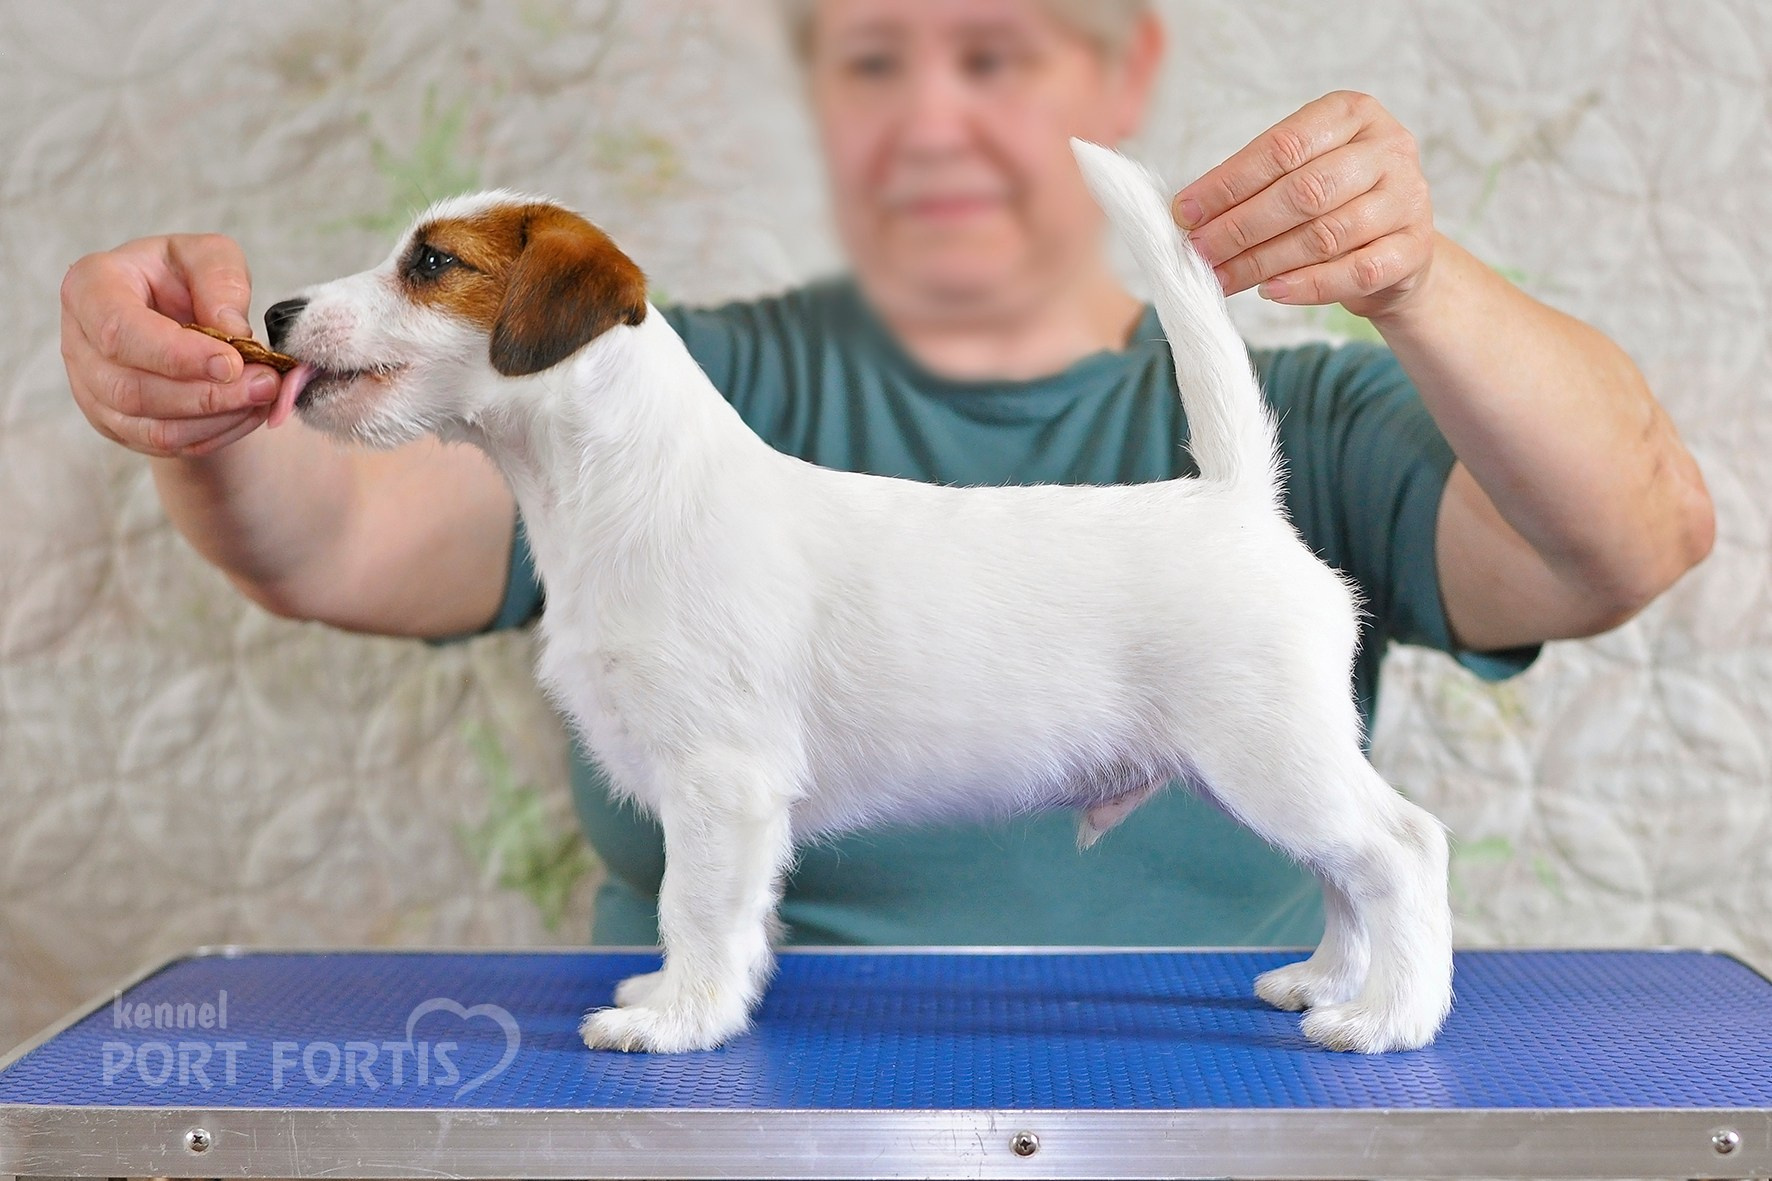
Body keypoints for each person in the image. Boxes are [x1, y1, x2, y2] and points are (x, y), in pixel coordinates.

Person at [60, 0, 1712, 948]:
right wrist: (208, 400)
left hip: (1211, 1097)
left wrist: (1412, 278)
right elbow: (330, 543)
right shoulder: (667, 379)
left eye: (993, 53)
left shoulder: (1319, 422)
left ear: (1126, 64)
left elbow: (1636, 537)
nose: (930, 116)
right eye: (871, 57)